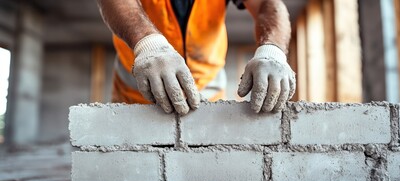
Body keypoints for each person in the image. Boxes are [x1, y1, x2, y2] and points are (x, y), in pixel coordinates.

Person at [96, 0, 296, 115]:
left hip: (207, 94)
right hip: (137, 93)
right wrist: (148, 44)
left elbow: (267, 4)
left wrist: (273, 50)